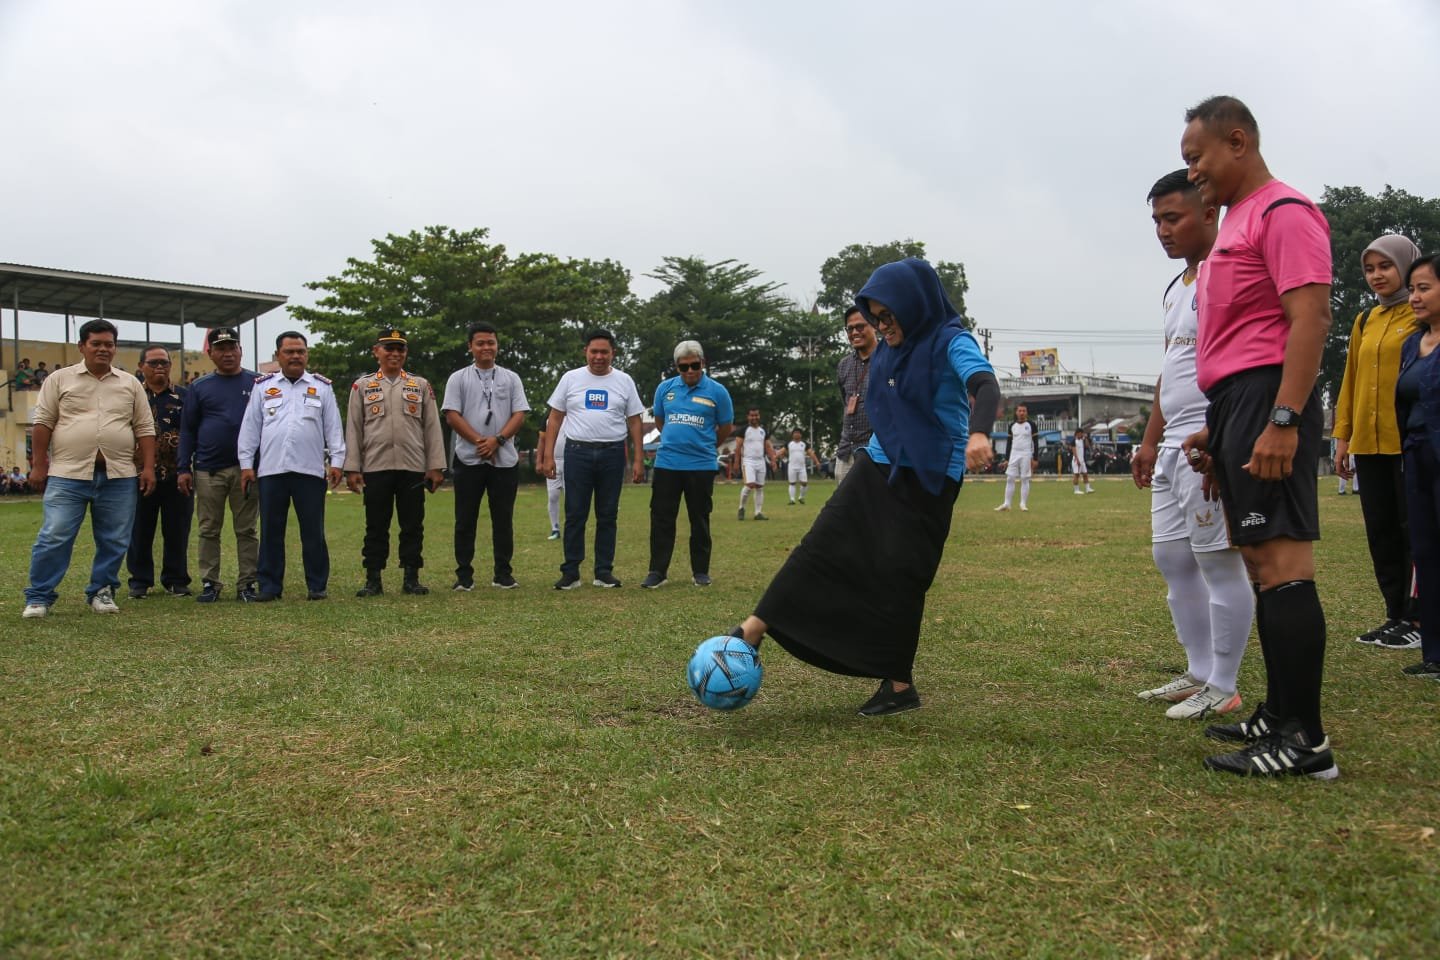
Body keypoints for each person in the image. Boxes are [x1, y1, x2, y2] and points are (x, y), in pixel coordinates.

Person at [722, 258, 998, 715]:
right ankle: (752, 630)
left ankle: (900, 686)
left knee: (902, 574)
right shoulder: (887, 350)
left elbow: (985, 386)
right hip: (880, 461)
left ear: (913, 304)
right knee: (822, 542)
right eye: (875, 317)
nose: (881, 326)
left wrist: (980, 432)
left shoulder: (951, 341)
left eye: (887, 316)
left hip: (931, 475)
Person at [1179, 95, 1337, 779]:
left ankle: (1306, 743)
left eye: (1198, 158)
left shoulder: (1283, 212)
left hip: (1268, 398)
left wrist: (1283, 419)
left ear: (1238, 141)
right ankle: (1279, 714)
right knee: (1257, 564)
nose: (1193, 173)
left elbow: (1312, 319)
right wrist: (1219, 427)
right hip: (1238, 404)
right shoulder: (1238, 220)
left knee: (1281, 565)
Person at [1131, 169, 1254, 721]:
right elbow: (1171, 369)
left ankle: (1224, 685)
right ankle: (1199, 671)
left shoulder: (1228, 274)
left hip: (1208, 440)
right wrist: (1149, 440)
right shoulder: (1174, 287)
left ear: (1209, 212)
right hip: (1170, 445)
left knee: (1218, 561)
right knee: (1173, 558)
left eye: (1172, 218)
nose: (1163, 230)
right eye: (1157, 220)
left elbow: (1240, 364)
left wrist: (1223, 437)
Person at [22, 319, 156, 618]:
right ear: (82, 346)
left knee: (115, 539)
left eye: (109, 344)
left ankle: (102, 591)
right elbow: (43, 422)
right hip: (67, 474)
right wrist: (38, 465)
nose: (103, 349)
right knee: (54, 535)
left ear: (115, 348)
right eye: (96, 343)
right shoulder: (59, 379)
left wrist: (148, 467)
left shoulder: (130, 383)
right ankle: (39, 596)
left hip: (119, 475)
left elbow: (145, 428)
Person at [1332, 235, 1423, 648]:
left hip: (1409, 441)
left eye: (1385, 266)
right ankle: (1394, 615)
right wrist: (1342, 436)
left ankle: (1419, 618)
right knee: (1381, 532)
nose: (1376, 276)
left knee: (1413, 531)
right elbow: (1350, 379)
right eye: (1369, 269)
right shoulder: (1365, 320)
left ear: (1406, 266)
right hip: (1368, 444)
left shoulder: (1423, 315)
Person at [237, 332, 345, 601]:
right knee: (271, 531)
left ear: (307, 354)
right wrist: (246, 464)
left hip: (310, 471)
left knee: (313, 532)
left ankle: (317, 586)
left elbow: (333, 427)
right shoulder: (263, 386)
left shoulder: (322, 387)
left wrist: (337, 461)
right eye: (289, 352)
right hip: (272, 470)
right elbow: (250, 428)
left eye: (300, 351)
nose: (295, 356)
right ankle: (270, 587)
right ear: (278, 356)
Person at [537, 329, 644, 589]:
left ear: (613, 353)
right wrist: (548, 456)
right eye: (594, 351)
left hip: (612, 453)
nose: (598, 357)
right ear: (585, 351)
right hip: (577, 453)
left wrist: (638, 459)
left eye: (604, 352)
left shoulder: (624, 381)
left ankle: (603, 572)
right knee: (575, 513)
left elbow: (634, 421)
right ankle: (571, 572)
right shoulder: (570, 378)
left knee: (607, 514)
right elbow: (555, 418)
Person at [345, 328, 446, 596]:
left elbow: (432, 428)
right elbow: (354, 428)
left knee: (412, 525)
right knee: (375, 526)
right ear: (376, 351)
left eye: (400, 348)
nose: (395, 353)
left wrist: (435, 466)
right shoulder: (362, 386)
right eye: (389, 348)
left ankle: (411, 577)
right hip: (375, 467)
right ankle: (373, 579)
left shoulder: (419, 385)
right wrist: (352, 468)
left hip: (412, 467)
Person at [442, 322, 529, 590]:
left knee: (503, 519)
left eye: (491, 342)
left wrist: (497, 440)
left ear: (497, 345)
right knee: (465, 520)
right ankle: (464, 575)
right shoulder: (458, 378)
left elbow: (520, 414)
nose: (486, 347)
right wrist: (481, 442)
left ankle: (503, 573)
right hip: (469, 459)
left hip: (504, 460)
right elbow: (452, 415)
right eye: (480, 343)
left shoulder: (511, 378)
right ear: (470, 346)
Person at [177, 326, 261, 603]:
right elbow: (188, 430)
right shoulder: (200, 387)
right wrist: (183, 468)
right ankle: (210, 583)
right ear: (210, 353)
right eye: (221, 349)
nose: (227, 354)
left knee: (247, 529)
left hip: (246, 469)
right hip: (208, 469)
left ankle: (247, 583)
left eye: (232, 348)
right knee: (208, 529)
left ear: (240, 351)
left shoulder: (258, 383)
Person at [641, 341, 734, 589]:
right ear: (677, 367)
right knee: (661, 518)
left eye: (695, 365)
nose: (690, 371)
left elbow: (726, 427)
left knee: (700, 518)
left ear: (703, 363)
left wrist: (706, 445)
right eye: (684, 367)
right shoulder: (665, 389)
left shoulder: (718, 392)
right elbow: (660, 421)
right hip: (667, 464)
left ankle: (700, 571)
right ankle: (657, 571)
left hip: (701, 465)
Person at [1397, 255, 1440, 680]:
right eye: (1412, 289)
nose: (1414, 297)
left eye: (1424, 288)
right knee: (1425, 551)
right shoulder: (1412, 345)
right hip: (1415, 454)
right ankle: (1435, 654)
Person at [125, 345, 193, 599]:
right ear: (141, 366)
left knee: (177, 530)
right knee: (139, 529)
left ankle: (176, 579)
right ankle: (139, 581)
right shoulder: (131, 396)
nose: (159, 367)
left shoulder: (185, 396)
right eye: (153, 363)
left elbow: (192, 431)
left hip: (178, 474)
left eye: (164, 362)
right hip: (139, 474)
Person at [834, 306, 877, 485]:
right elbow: (845, 401)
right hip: (846, 451)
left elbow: (895, 392)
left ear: (874, 325)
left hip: (875, 452)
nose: (854, 332)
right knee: (844, 502)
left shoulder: (888, 360)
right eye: (850, 329)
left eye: (860, 327)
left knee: (874, 501)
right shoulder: (844, 365)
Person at [733, 408, 778, 520]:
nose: (754, 418)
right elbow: (738, 448)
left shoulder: (763, 431)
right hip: (748, 461)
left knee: (759, 487)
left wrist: (773, 460)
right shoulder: (743, 430)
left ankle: (758, 513)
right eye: (752, 415)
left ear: (759, 416)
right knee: (750, 485)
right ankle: (741, 508)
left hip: (761, 461)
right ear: (748, 417)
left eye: (756, 415)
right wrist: (736, 463)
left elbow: (768, 446)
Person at [995, 404, 1038, 511]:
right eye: (1020, 411)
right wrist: (1007, 459)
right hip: (1014, 454)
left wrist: (1035, 458)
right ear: (1016, 412)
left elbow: (1036, 442)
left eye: (1024, 411)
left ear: (1026, 412)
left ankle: (1023, 504)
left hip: (1026, 454)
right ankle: (1007, 503)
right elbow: (1009, 443)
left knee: (1025, 478)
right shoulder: (1012, 426)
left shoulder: (1031, 425)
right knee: (1010, 478)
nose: (1022, 413)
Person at [539, 423, 565, 540]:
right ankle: (555, 529)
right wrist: (539, 461)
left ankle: (571, 528)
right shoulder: (548, 417)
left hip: (572, 460)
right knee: (553, 496)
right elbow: (542, 439)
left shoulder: (574, 414)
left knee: (571, 498)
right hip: (553, 461)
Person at [785, 428, 821, 505]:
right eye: (795, 433)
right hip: (791, 466)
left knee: (804, 483)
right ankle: (792, 499)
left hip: (802, 467)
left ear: (801, 435)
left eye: (798, 433)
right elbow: (782, 451)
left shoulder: (804, 444)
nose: (796, 434)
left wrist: (817, 462)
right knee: (792, 483)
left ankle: (801, 497)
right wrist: (774, 457)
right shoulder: (789, 444)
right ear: (792, 434)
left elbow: (811, 453)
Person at [1071, 427, 1094, 494]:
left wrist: (1085, 438)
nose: (1082, 435)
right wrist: (1077, 460)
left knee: (1085, 474)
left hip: (1082, 460)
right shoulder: (1074, 441)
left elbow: (1087, 445)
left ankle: (1087, 488)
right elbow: (1074, 451)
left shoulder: (1082, 440)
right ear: (1078, 433)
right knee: (1077, 475)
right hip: (1076, 460)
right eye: (1081, 433)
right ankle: (1076, 490)